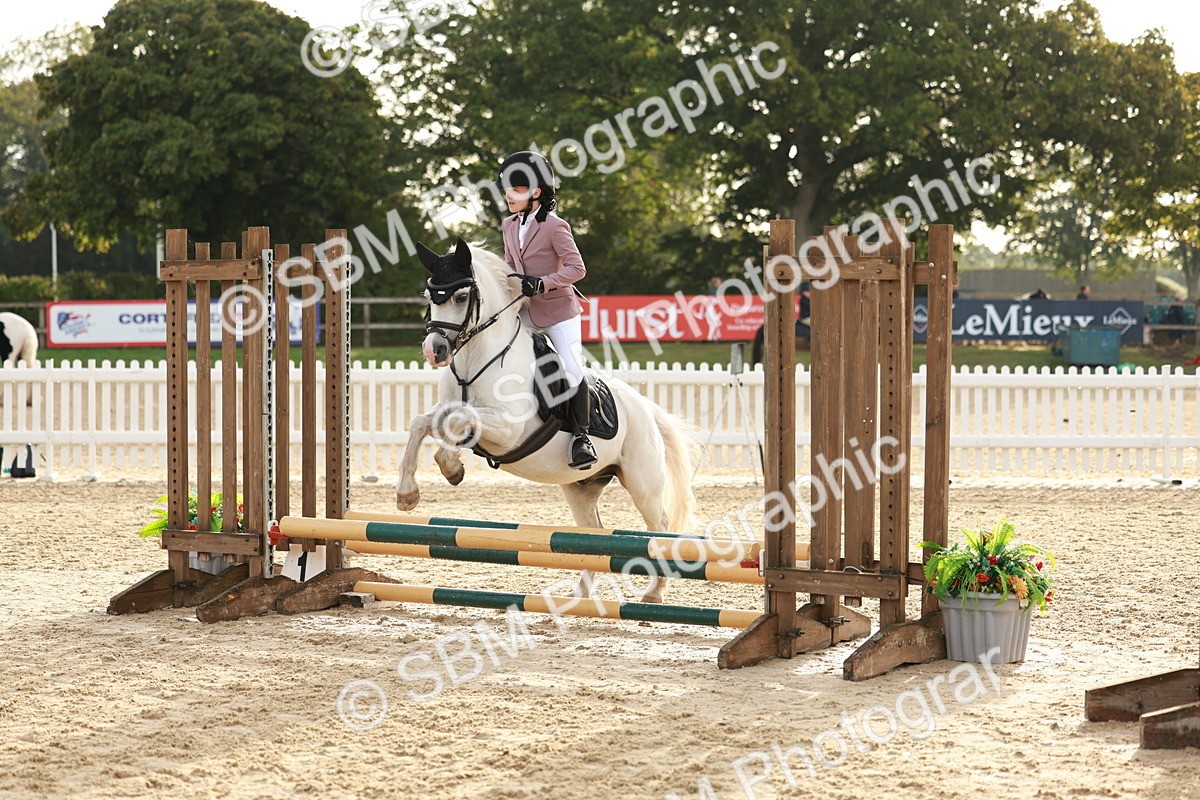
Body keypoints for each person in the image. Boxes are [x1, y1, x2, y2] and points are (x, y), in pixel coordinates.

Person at [496, 151, 596, 469]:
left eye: (516, 189)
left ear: (536, 192)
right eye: (507, 189)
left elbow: (577, 268)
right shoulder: (508, 224)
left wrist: (542, 283)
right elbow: (512, 266)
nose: (509, 195)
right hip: (524, 309)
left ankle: (582, 438)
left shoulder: (555, 226)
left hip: (558, 311)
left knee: (570, 368)